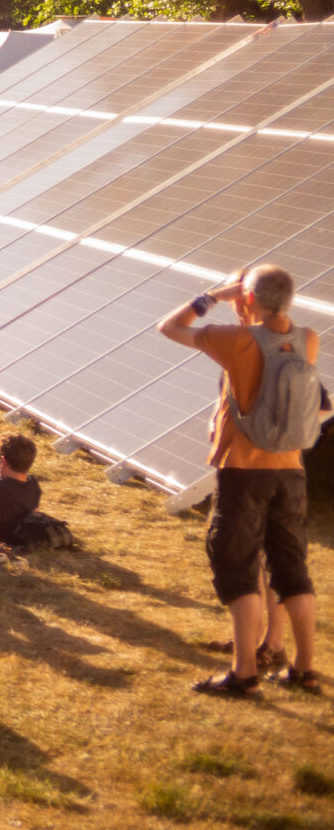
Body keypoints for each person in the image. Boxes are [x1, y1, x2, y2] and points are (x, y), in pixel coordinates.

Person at [160, 262, 321, 696]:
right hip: (290, 471)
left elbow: (170, 327)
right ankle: (305, 669)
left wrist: (213, 296)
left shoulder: (237, 341)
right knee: (292, 571)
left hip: (243, 470)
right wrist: (248, 299)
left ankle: (245, 672)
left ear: (247, 299)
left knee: (236, 566)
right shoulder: (308, 339)